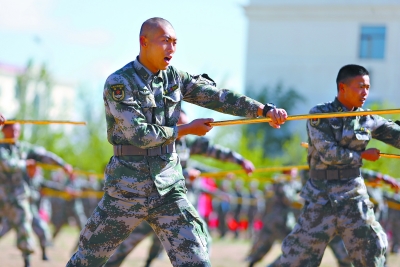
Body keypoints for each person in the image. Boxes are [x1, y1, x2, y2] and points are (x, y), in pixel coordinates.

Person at [66, 17, 287, 267]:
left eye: (174, 42)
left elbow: (218, 97)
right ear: (144, 42)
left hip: (168, 189)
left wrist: (262, 110)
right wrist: (186, 129)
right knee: (87, 261)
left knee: (197, 260)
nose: (171, 48)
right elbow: (138, 134)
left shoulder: (174, 78)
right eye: (165, 41)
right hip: (127, 189)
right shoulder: (120, 83)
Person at [277, 64, 400, 267]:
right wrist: (362, 155)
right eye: (360, 86)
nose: (365, 92)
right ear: (342, 87)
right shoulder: (319, 115)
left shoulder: (368, 119)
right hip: (320, 198)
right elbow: (328, 154)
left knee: (372, 251)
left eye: (368, 87)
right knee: (296, 259)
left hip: (353, 197)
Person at [104, 109, 255, 267]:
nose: (186, 128)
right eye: (181, 125)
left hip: (171, 205)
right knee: (126, 244)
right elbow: (152, 171)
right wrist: (184, 173)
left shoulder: (186, 143)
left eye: (187, 124)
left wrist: (240, 161)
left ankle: (150, 263)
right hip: (149, 201)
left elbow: (213, 150)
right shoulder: (157, 141)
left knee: (198, 238)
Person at [0, 122, 73, 267]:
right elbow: (7, 164)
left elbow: (43, 155)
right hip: (2, 197)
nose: (15, 133)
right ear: (4, 130)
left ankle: (27, 261)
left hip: (18, 198)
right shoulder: (1, 148)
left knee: (25, 225)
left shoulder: (24, 148)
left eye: (17, 130)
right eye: (12, 129)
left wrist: (62, 164)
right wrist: (25, 164)